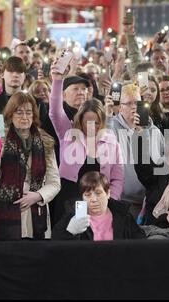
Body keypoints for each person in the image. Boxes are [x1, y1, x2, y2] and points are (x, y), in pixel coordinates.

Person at [49, 64, 124, 226]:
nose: (92, 126)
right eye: (87, 121)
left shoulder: (111, 141)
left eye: (96, 122)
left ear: (102, 122)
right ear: (80, 120)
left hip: (99, 202)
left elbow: (118, 178)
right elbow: (55, 112)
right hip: (69, 199)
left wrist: (110, 201)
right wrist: (57, 81)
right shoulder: (68, 133)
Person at [0, 92, 60, 240]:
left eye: (28, 112)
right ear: (10, 115)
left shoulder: (45, 141)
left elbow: (54, 182)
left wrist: (38, 196)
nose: (24, 117)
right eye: (19, 112)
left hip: (36, 213)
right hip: (4, 212)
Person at [108, 83, 165, 218]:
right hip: (120, 201)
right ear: (120, 107)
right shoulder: (110, 128)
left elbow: (163, 165)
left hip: (150, 201)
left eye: (137, 103)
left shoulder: (154, 131)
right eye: (129, 103)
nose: (134, 107)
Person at [52, 172, 145, 240]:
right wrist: (69, 232)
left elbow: (140, 244)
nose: (94, 199)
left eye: (98, 193)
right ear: (82, 197)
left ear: (108, 193)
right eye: (88, 195)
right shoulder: (74, 214)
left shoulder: (123, 215)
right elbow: (55, 242)